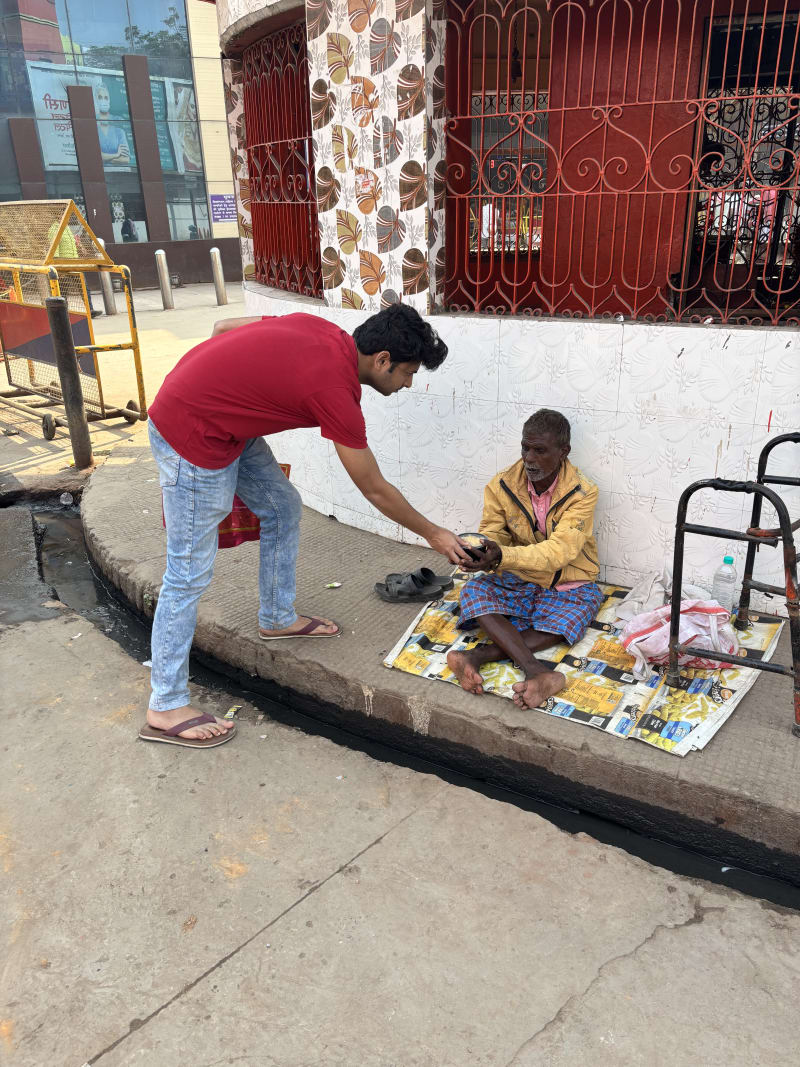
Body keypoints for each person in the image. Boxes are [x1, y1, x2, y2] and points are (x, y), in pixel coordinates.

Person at [141, 305, 471, 748]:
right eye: (408, 373)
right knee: (187, 574)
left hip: (223, 424)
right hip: (191, 433)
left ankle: (276, 617)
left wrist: (228, 392)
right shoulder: (336, 392)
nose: (408, 384)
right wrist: (434, 533)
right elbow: (372, 487)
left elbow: (221, 328)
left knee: (281, 507)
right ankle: (164, 706)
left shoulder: (324, 331)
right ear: (383, 360)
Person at [446, 408, 603, 711]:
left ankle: (477, 656)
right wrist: (483, 554)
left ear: (563, 452)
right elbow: (492, 532)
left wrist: (502, 556)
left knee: (578, 610)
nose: (529, 458)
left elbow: (560, 552)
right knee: (474, 591)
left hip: (566, 580)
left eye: (540, 450)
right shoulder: (502, 483)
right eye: (525, 448)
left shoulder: (583, 492)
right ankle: (535, 670)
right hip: (519, 576)